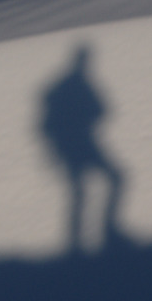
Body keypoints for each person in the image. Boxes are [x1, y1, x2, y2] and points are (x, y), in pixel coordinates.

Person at [40, 45, 126, 255]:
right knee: (104, 183)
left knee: (86, 190)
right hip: (79, 145)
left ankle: (86, 239)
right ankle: (100, 233)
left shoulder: (68, 85)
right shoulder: (73, 85)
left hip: (75, 146)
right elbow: (101, 109)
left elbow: (101, 109)